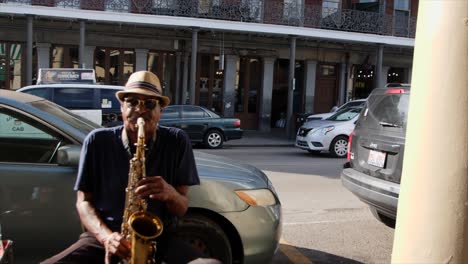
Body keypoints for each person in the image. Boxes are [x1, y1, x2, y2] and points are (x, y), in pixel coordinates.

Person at [41, 71, 217, 264]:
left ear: (161, 110)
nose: (140, 110)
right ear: (122, 107)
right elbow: (83, 203)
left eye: (149, 103)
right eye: (132, 101)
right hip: (105, 238)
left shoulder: (176, 141)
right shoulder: (97, 141)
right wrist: (107, 237)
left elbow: (181, 207)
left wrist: (170, 193)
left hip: (160, 240)